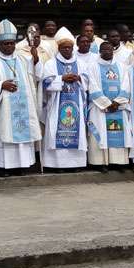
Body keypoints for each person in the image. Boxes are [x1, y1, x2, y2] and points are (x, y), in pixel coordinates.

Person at [0, 19, 42, 176]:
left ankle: (21, 165)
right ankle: (3, 167)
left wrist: (36, 60)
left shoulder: (23, 59)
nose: (9, 46)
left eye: (11, 43)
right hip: (2, 107)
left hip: (23, 106)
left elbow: (37, 76)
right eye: (5, 44)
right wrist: (0, 85)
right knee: (4, 134)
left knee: (21, 136)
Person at [39, 28, 89, 171]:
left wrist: (79, 78)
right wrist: (62, 78)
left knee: (76, 132)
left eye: (69, 47)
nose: (67, 50)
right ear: (58, 48)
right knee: (56, 131)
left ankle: (76, 164)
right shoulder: (50, 63)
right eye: (64, 48)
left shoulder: (80, 63)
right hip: (56, 103)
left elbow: (87, 79)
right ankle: (57, 165)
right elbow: (46, 82)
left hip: (76, 103)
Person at [87, 42, 132, 171]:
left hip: (118, 107)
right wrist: (106, 103)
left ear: (113, 50)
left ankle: (119, 163)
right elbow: (92, 86)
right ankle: (101, 163)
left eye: (109, 49)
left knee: (119, 132)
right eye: (104, 50)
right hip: (99, 108)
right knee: (101, 132)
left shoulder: (122, 66)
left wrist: (117, 102)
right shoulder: (93, 66)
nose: (107, 52)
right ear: (100, 52)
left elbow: (126, 85)